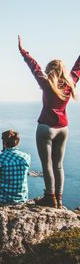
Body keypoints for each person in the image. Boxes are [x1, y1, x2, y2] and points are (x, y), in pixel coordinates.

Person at [18, 35, 80, 208]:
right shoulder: (71, 83)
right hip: (63, 128)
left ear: (50, 70)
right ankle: (59, 199)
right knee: (59, 165)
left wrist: (23, 51)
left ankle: (49, 197)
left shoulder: (46, 83)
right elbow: (78, 66)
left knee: (47, 165)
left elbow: (34, 66)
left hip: (46, 128)